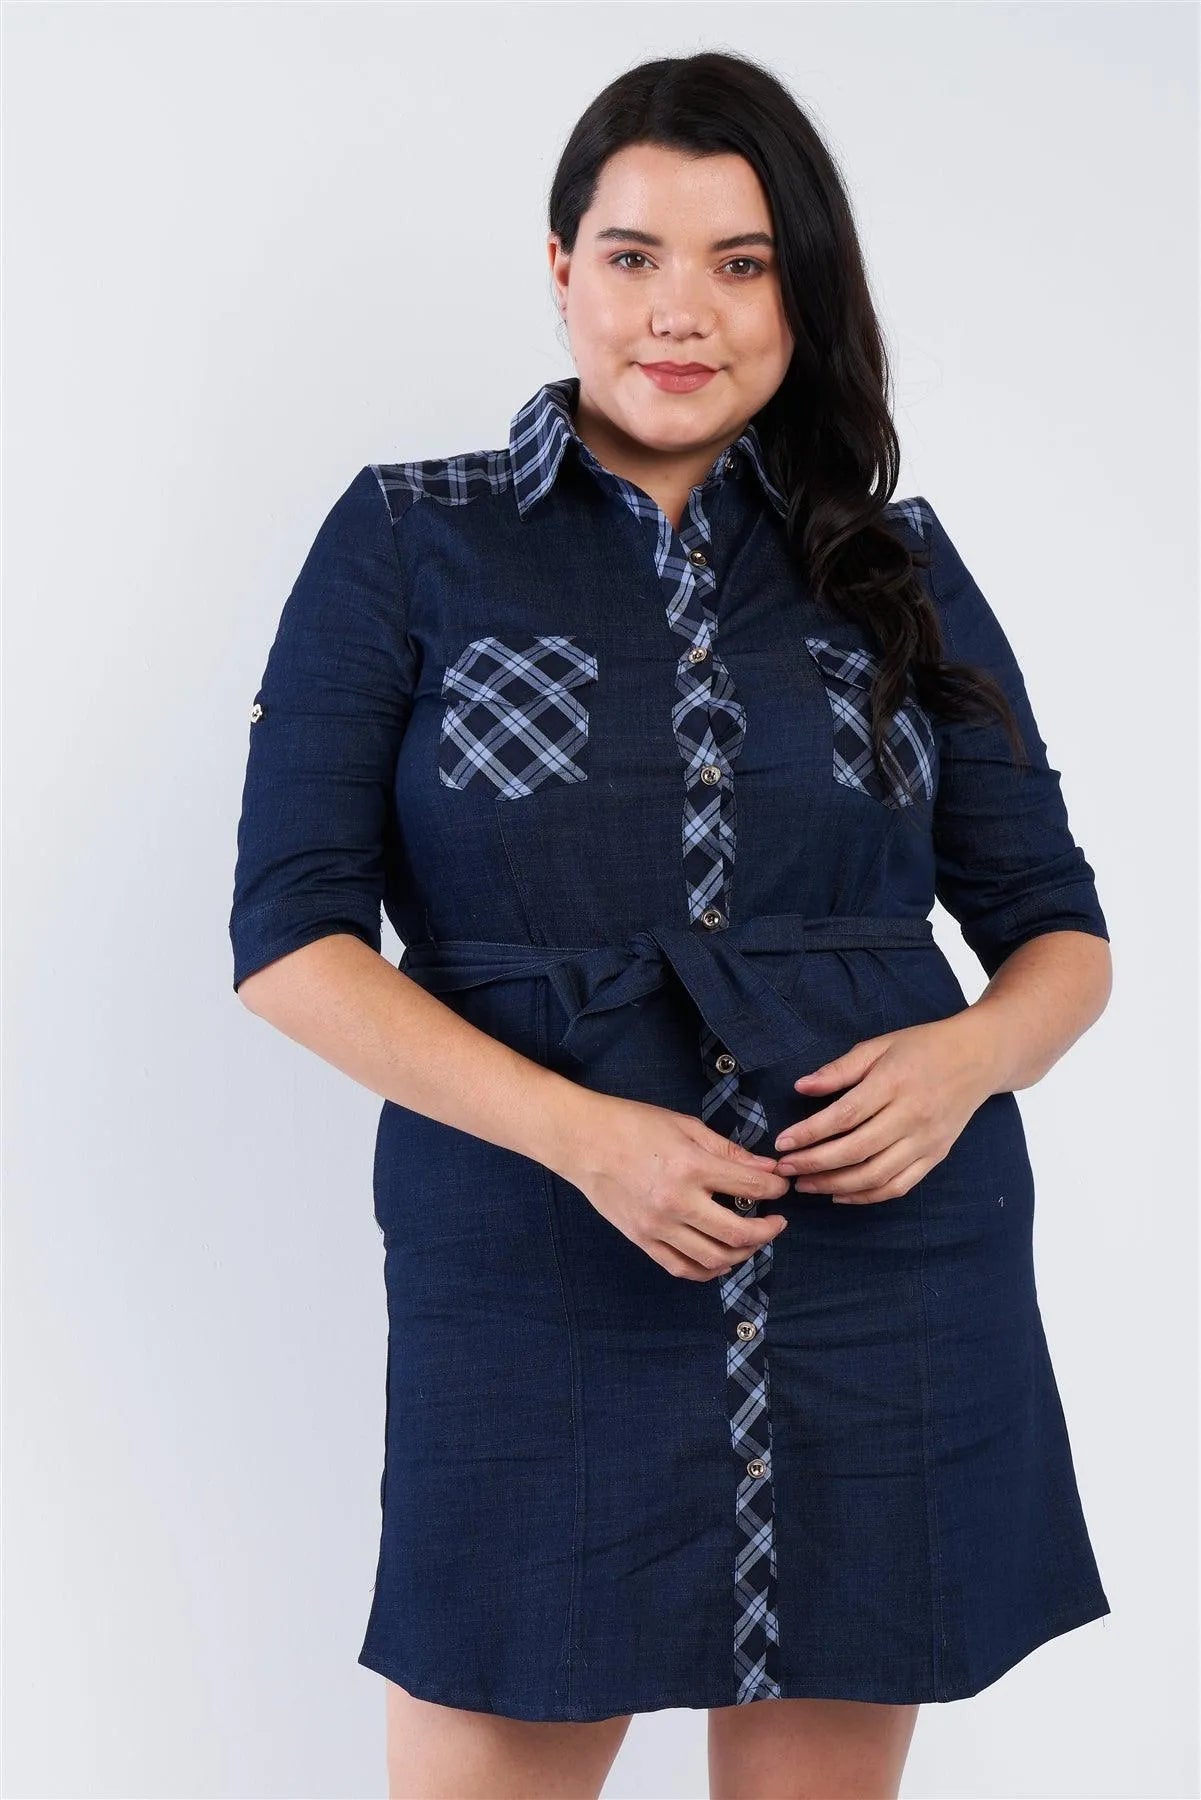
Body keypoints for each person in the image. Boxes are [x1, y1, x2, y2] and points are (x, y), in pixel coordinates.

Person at [228, 49, 1113, 1800]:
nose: (678, 312)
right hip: (539, 1251)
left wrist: (965, 1064)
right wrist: (587, 1139)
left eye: (740, 261)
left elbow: (1057, 929)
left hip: (876, 1260)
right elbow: (288, 942)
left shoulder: (896, 564)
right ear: (562, 268)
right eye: (633, 256)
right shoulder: (408, 538)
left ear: (801, 291)